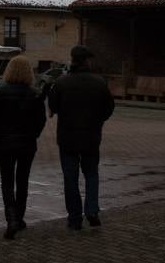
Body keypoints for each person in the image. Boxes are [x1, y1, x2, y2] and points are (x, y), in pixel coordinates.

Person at [47, 45, 115, 231]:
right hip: (91, 136)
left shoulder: (61, 83)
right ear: (87, 61)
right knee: (91, 174)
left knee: (70, 178)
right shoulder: (99, 82)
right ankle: (92, 210)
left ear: (73, 60)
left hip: (67, 137)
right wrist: (97, 120)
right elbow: (109, 108)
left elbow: (53, 106)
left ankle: (74, 217)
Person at [0, 56, 47, 240]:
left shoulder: (1, 92)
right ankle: (19, 219)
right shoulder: (34, 93)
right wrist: (33, 135)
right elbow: (40, 120)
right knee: (23, 181)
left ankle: (11, 219)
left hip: (5, 143)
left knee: (7, 182)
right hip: (27, 143)